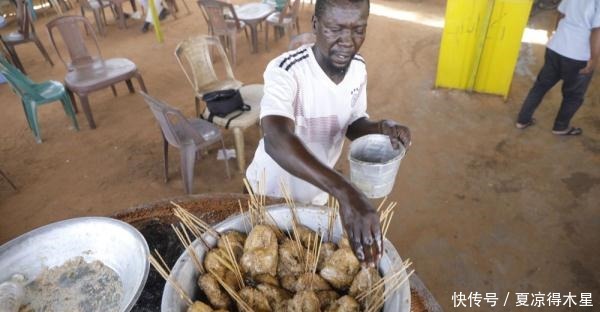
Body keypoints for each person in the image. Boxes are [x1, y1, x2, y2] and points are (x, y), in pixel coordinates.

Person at [245, 0, 411, 267]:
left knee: (304, 270)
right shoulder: (287, 70)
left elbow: (353, 121)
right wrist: (346, 192)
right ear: (315, 25)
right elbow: (275, 139)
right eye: (335, 29)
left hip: (318, 194)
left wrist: (380, 128)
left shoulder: (358, 68)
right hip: (269, 194)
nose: (347, 41)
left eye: (358, 29)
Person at [515, 0, 600, 135]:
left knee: (540, 86)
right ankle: (560, 127)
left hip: (555, 47)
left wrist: (556, 33)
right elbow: (597, 30)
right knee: (573, 96)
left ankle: (522, 120)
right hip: (578, 55)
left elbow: (561, 13)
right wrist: (594, 58)